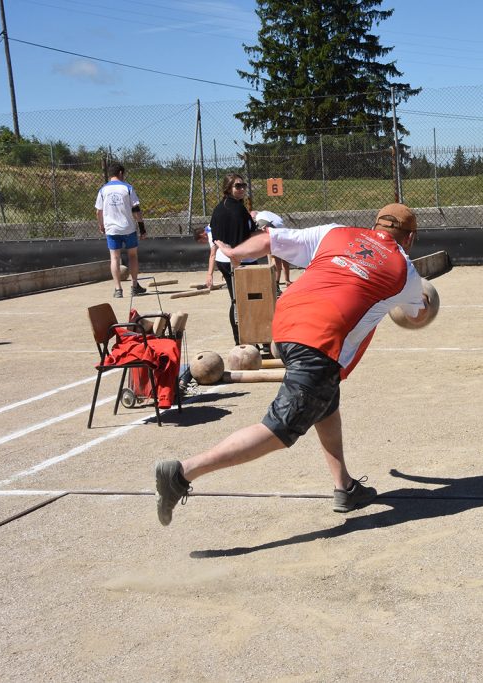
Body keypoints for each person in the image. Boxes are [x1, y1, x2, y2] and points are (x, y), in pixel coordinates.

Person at [153, 203, 430, 527]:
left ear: (375, 225)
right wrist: (425, 300)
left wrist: (237, 253)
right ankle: (182, 473)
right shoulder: (405, 270)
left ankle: (345, 487)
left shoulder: (335, 233)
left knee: (325, 401)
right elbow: (417, 316)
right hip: (320, 341)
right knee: (279, 429)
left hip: (285, 324)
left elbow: (270, 240)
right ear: (410, 237)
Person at [206, 174, 262, 344]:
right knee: (245, 299)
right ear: (228, 188)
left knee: (238, 299)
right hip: (238, 258)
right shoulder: (235, 209)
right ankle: (245, 339)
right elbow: (242, 238)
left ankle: (242, 339)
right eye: (238, 186)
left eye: (244, 185)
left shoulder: (221, 207)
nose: (242, 189)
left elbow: (216, 236)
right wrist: (261, 232)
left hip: (226, 258)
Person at [95, 163, 147, 298]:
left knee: (114, 258)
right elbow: (136, 210)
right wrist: (142, 228)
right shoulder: (128, 188)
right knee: (133, 256)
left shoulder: (103, 190)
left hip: (111, 229)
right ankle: (134, 286)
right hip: (128, 227)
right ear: (120, 173)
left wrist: (101, 225)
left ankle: (118, 289)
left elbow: (98, 211)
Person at [252, 209, 292, 291]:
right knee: (284, 258)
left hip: (271, 228)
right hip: (282, 230)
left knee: (274, 259)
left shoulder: (258, 217)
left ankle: (275, 283)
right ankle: (287, 280)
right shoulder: (266, 213)